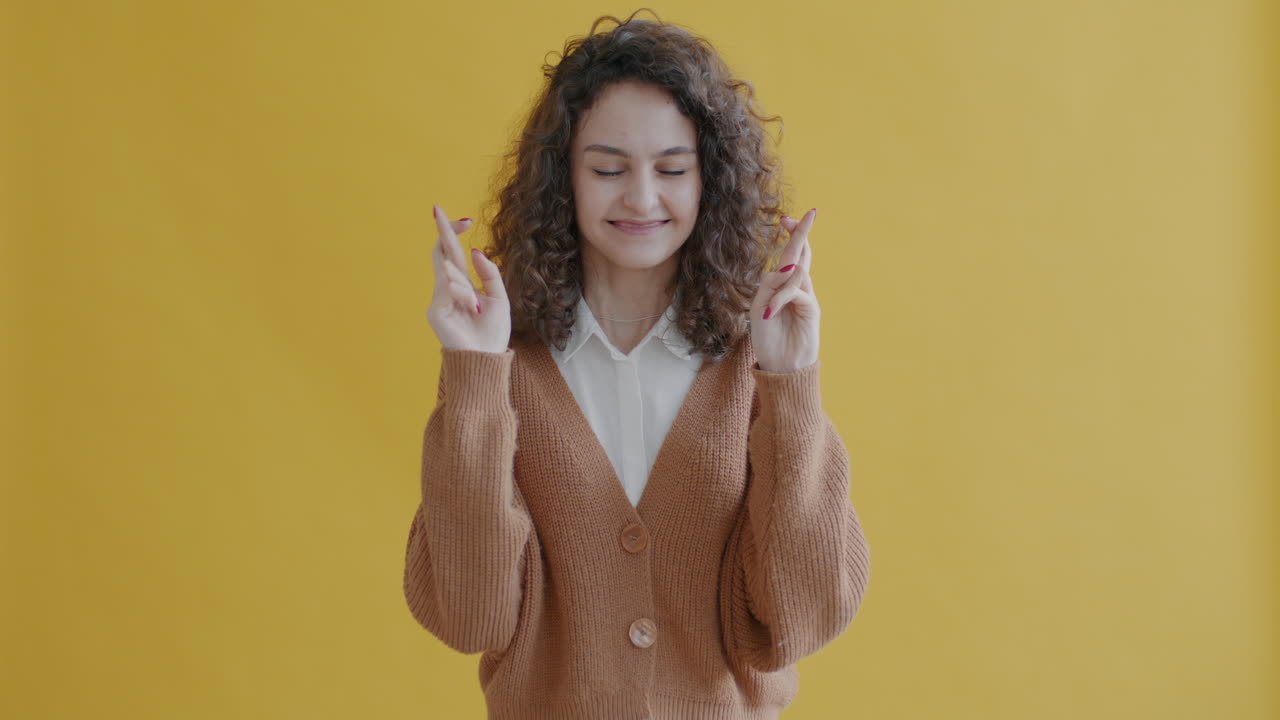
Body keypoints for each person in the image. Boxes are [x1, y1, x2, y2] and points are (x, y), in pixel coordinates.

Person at [403, 11, 870, 718]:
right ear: (564, 178)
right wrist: (472, 374)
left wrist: (790, 387)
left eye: (673, 169)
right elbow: (471, 619)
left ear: (711, 180)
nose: (643, 198)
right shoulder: (503, 365)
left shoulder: (755, 360)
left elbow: (802, 617)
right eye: (608, 169)